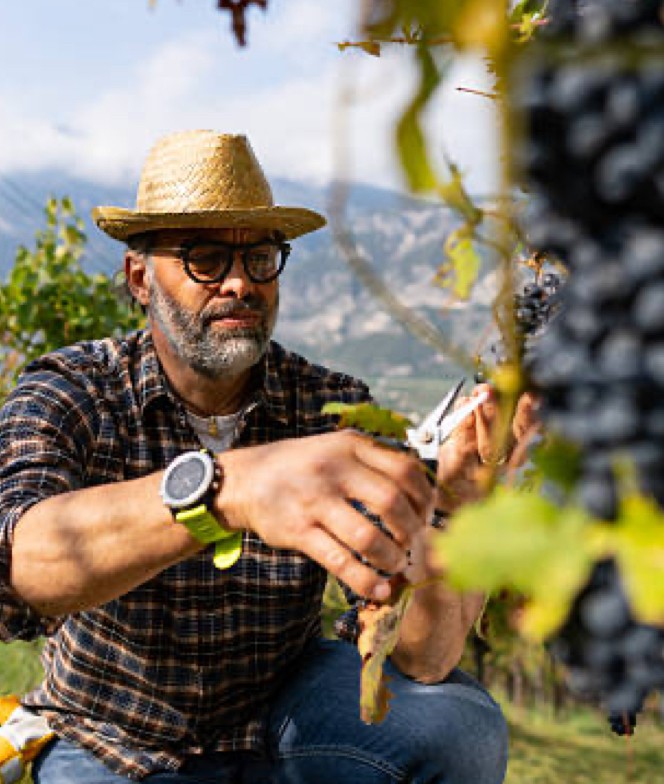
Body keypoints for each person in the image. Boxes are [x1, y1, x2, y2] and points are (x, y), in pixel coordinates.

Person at [0, 130, 535, 784]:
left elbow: (421, 658)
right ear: (140, 277)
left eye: (259, 258)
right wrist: (222, 491)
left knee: (461, 730)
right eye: (203, 258)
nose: (239, 283)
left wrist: (455, 503)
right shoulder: (72, 391)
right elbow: (17, 564)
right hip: (109, 737)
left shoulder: (332, 408)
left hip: (281, 725)